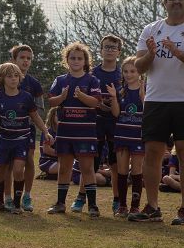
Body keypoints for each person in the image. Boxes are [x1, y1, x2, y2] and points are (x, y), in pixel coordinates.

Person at [127, 0, 184, 225]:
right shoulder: (150, 29)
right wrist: (151, 54)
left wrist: (178, 53)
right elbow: (139, 67)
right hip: (157, 100)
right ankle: (152, 207)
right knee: (152, 153)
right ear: (164, 2)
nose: (176, 1)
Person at [0, 62, 53, 213]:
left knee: (18, 170)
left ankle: (16, 203)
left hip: (22, 140)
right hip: (4, 141)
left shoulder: (26, 97)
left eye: (16, 76)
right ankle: (0, 201)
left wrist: (46, 131)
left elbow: (35, 117)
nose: (13, 79)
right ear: (2, 79)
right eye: (9, 76)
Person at [45, 42, 102, 216]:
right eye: (72, 58)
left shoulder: (92, 80)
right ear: (67, 60)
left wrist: (82, 96)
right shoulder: (60, 80)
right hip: (65, 132)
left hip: (85, 133)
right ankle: (60, 203)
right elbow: (51, 102)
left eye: (80, 58)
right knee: (64, 168)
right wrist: (62, 97)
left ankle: (92, 206)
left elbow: (96, 102)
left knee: (87, 168)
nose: (76, 61)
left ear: (85, 61)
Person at [88, 35, 123, 213]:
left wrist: (114, 103)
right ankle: (85, 200)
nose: (109, 50)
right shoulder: (92, 73)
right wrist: (98, 103)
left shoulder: (123, 73)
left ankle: (117, 200)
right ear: (101, 50)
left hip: (116, 123)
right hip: (96, 122)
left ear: (119, 52)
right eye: (106, 47)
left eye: (113, 47)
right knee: (90, 163)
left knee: (116, 164)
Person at [10, 45, 44, 211]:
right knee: (9, 164)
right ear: (14, 60)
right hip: (8, 131)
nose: (25, 61)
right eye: (22, 57)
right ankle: (7, 197)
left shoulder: (34, 84)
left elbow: (40, 109)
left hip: (27, 130)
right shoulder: (4, 80)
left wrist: (26, 116)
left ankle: (27, 196)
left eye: (28, 58)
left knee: (28, 161)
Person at [113, 56, 146, 217]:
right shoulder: (120, 90)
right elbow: (116, 113)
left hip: (138, 137)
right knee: (122, 171)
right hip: (121, 135)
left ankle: (135, 207)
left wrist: (143, 98)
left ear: (139, 72)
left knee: (137, 171)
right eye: (125, 71)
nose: (128, 74)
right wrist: (113, 97)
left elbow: (150, 112)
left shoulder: (145, 89)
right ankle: (122, 206)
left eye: (132, 71)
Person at [38, 108, 59, 178]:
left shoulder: (64, 131)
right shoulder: (48, 132)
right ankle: (46, 174)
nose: (60, 117)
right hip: (48, 161)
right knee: (69, 170)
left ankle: (50, 175)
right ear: (52, 117)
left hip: (60, 160)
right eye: (57, 115)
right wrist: (64, 155)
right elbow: (46, 150)